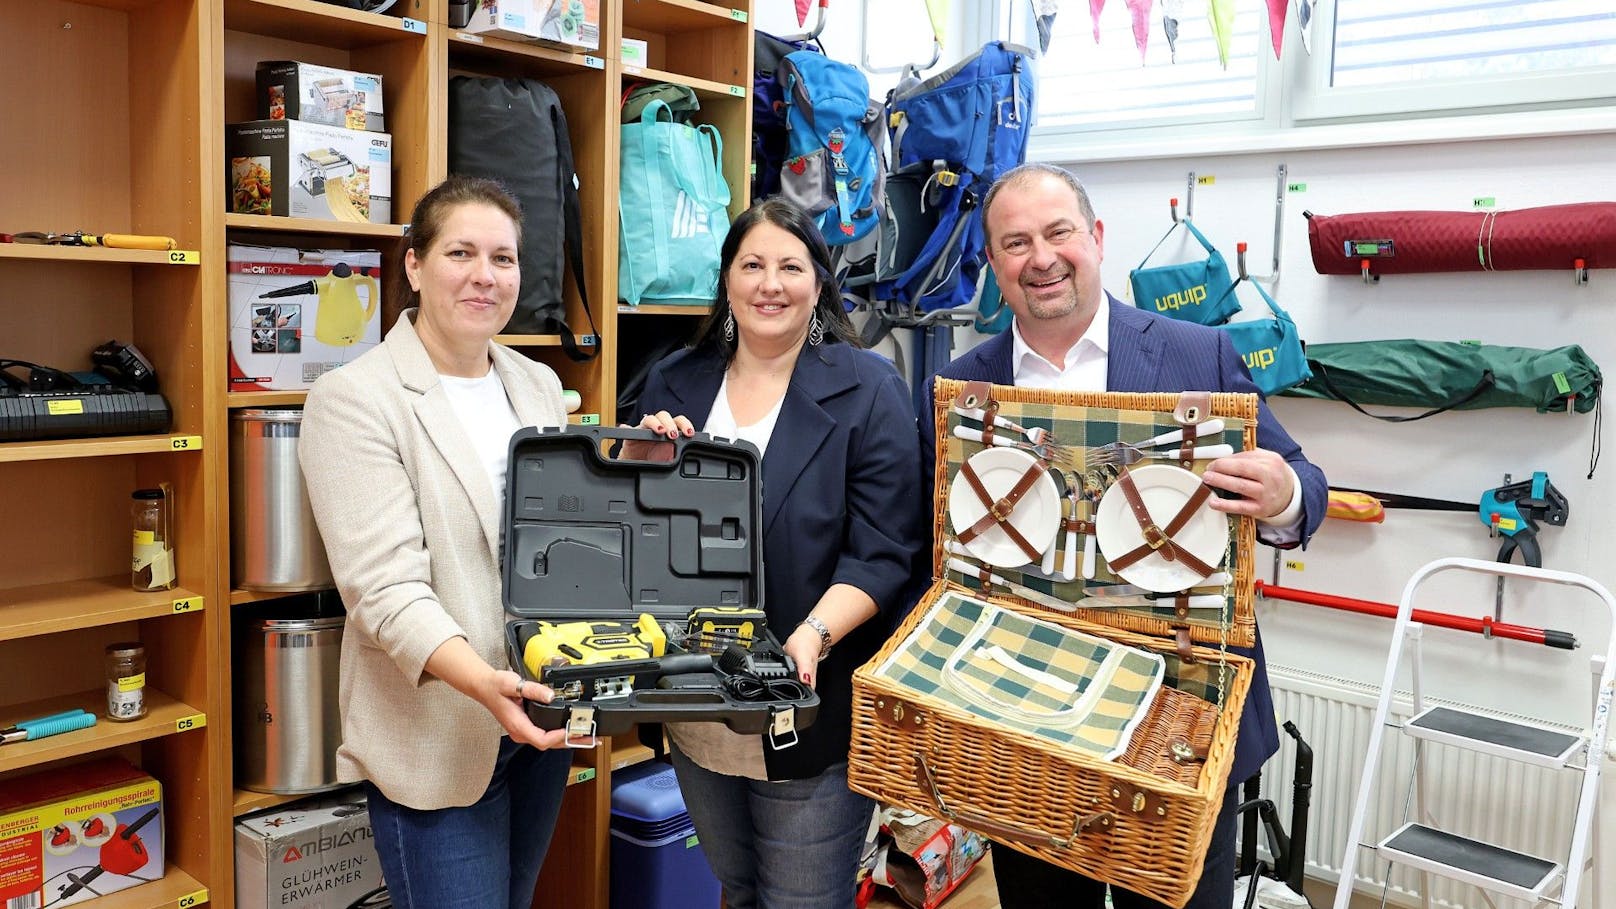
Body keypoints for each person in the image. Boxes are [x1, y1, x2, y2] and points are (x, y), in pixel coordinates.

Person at [920, 163, 1328, 909]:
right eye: (1015, 242)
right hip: (1029, 712)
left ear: (1097, 238)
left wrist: (1284, 493)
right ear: (994, 266)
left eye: (1057, 232)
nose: (1040, 257)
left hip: (1180, 709)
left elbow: (1305, 481)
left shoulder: (1195, 354)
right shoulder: (959, 388)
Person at [631, 196, 926, 909]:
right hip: (695, 699)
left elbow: (886, 548)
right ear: (727, 280)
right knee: (737, 887)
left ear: (819, 281)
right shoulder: (676, 378)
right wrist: (642, 455)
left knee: (800, 900)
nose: (771, 283)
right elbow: (630, 526)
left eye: (790, 266)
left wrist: (813, 635)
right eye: (752, 264)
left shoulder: (870, 386)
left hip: (810, 702)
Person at [299, 175, 576, 909]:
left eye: (504, 258)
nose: (486, 275)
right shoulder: (356, 397)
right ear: (414, 264)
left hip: (539, 718)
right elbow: (384, 591)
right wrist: (486, 683)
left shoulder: (539, 384)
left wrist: (649, 457)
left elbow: (570, 531)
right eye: (461, 252)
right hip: (441, 730)